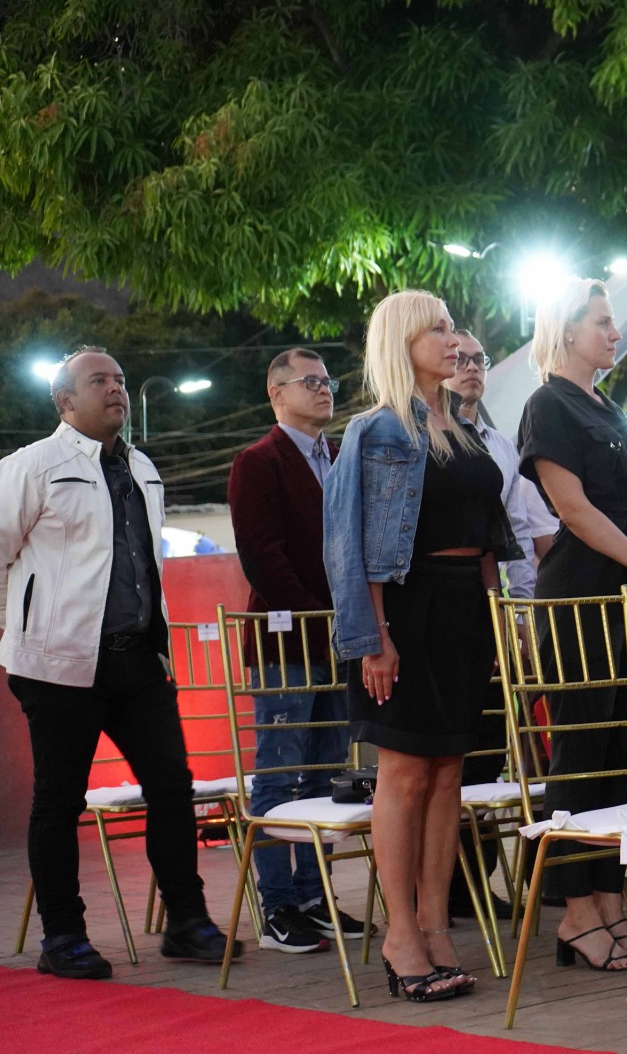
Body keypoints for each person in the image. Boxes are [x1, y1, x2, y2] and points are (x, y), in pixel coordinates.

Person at [1, 346, 238, 978]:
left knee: (171, 787)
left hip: (138, 661)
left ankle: (187, 923)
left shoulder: (142, 467)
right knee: (59, 800)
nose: (116, 389)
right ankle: (63, 938)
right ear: (65, 402)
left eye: (121, 380)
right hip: (58, 666)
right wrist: (20, 629)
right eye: (98, 380)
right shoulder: (33, 467)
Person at [324, 290, 523, 1001]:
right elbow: (352, 545)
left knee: (449, 777)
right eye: (435, 329)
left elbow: (490, 539)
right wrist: (372, 638)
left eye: (450, 326)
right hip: (404, 611)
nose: (451, 338)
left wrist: (499, 621)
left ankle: (437, 929)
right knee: (405, 777)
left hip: (466, 611)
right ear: (401, 341)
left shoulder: (464, 427)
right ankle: (401, 935)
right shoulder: (376, 431)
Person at [516, 279, 627, 972]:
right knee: (580, 755)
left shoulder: (607, 404)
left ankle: (612, 896)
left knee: (623, 756)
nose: (614, 331)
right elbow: (573, 510)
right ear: (566, 329)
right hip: (582, 596)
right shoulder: (548, 404)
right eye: (601, 321)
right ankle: (575, 911)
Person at [228, 348, 363, 954]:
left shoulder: (337, 456)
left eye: (328, 381)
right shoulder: (259, 461)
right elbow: (262, 554)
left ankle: (314, 895)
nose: (324, 390)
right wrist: (322, 612)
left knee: (326, 774)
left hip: (341, 639)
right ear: (276, 392)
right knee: (281, 773)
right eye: (309, 382)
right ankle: (277, 905)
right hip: (289, 638)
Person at [442, 330, 557, 922]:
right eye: (458, 359)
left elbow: (533, 539)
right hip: (446, 614)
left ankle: (472, 882)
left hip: (503, 617)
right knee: (445, 760)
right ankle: (434, 889)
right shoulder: (417, 438)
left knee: (488, 760)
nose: (470, 370)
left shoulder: (499, 445)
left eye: (478, 361)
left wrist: (531, 619)